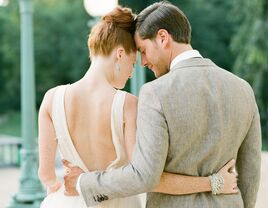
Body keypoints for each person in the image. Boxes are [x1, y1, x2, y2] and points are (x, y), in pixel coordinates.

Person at [63, 2, 261, 208]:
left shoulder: (155, 92)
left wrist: (83, 182)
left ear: (163, 38)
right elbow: (250, 174)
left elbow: (144, 175)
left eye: (143, 50)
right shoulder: (243, 89)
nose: (143, 61)